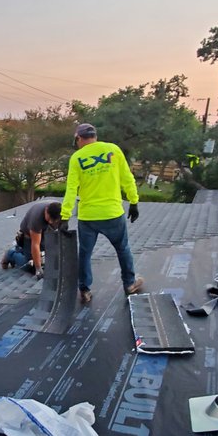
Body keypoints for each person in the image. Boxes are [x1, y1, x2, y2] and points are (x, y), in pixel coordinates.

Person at [59, 123, 142, 303]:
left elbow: (71, 189)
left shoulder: (77, 158)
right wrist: (133, 201)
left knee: (85, 254)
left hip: (88, 217)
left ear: (79, 138)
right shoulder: (113, 149)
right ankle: (129, 284)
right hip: (113, 214)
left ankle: (85, 290)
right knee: (123, 249)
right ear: (95, 136)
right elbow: (127, 178)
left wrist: (65, 216)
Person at [1, 201, 63, 279]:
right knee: (31, 266)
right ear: (46, 210)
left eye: (54, 220)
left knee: (48, 263)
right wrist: (38, 269)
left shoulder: (61, 212)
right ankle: (11, 254)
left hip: (45, 234)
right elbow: (35, 244)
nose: (50, 222)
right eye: (49, 218)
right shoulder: (36, 218)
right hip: (29, 236)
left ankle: (21, 249)